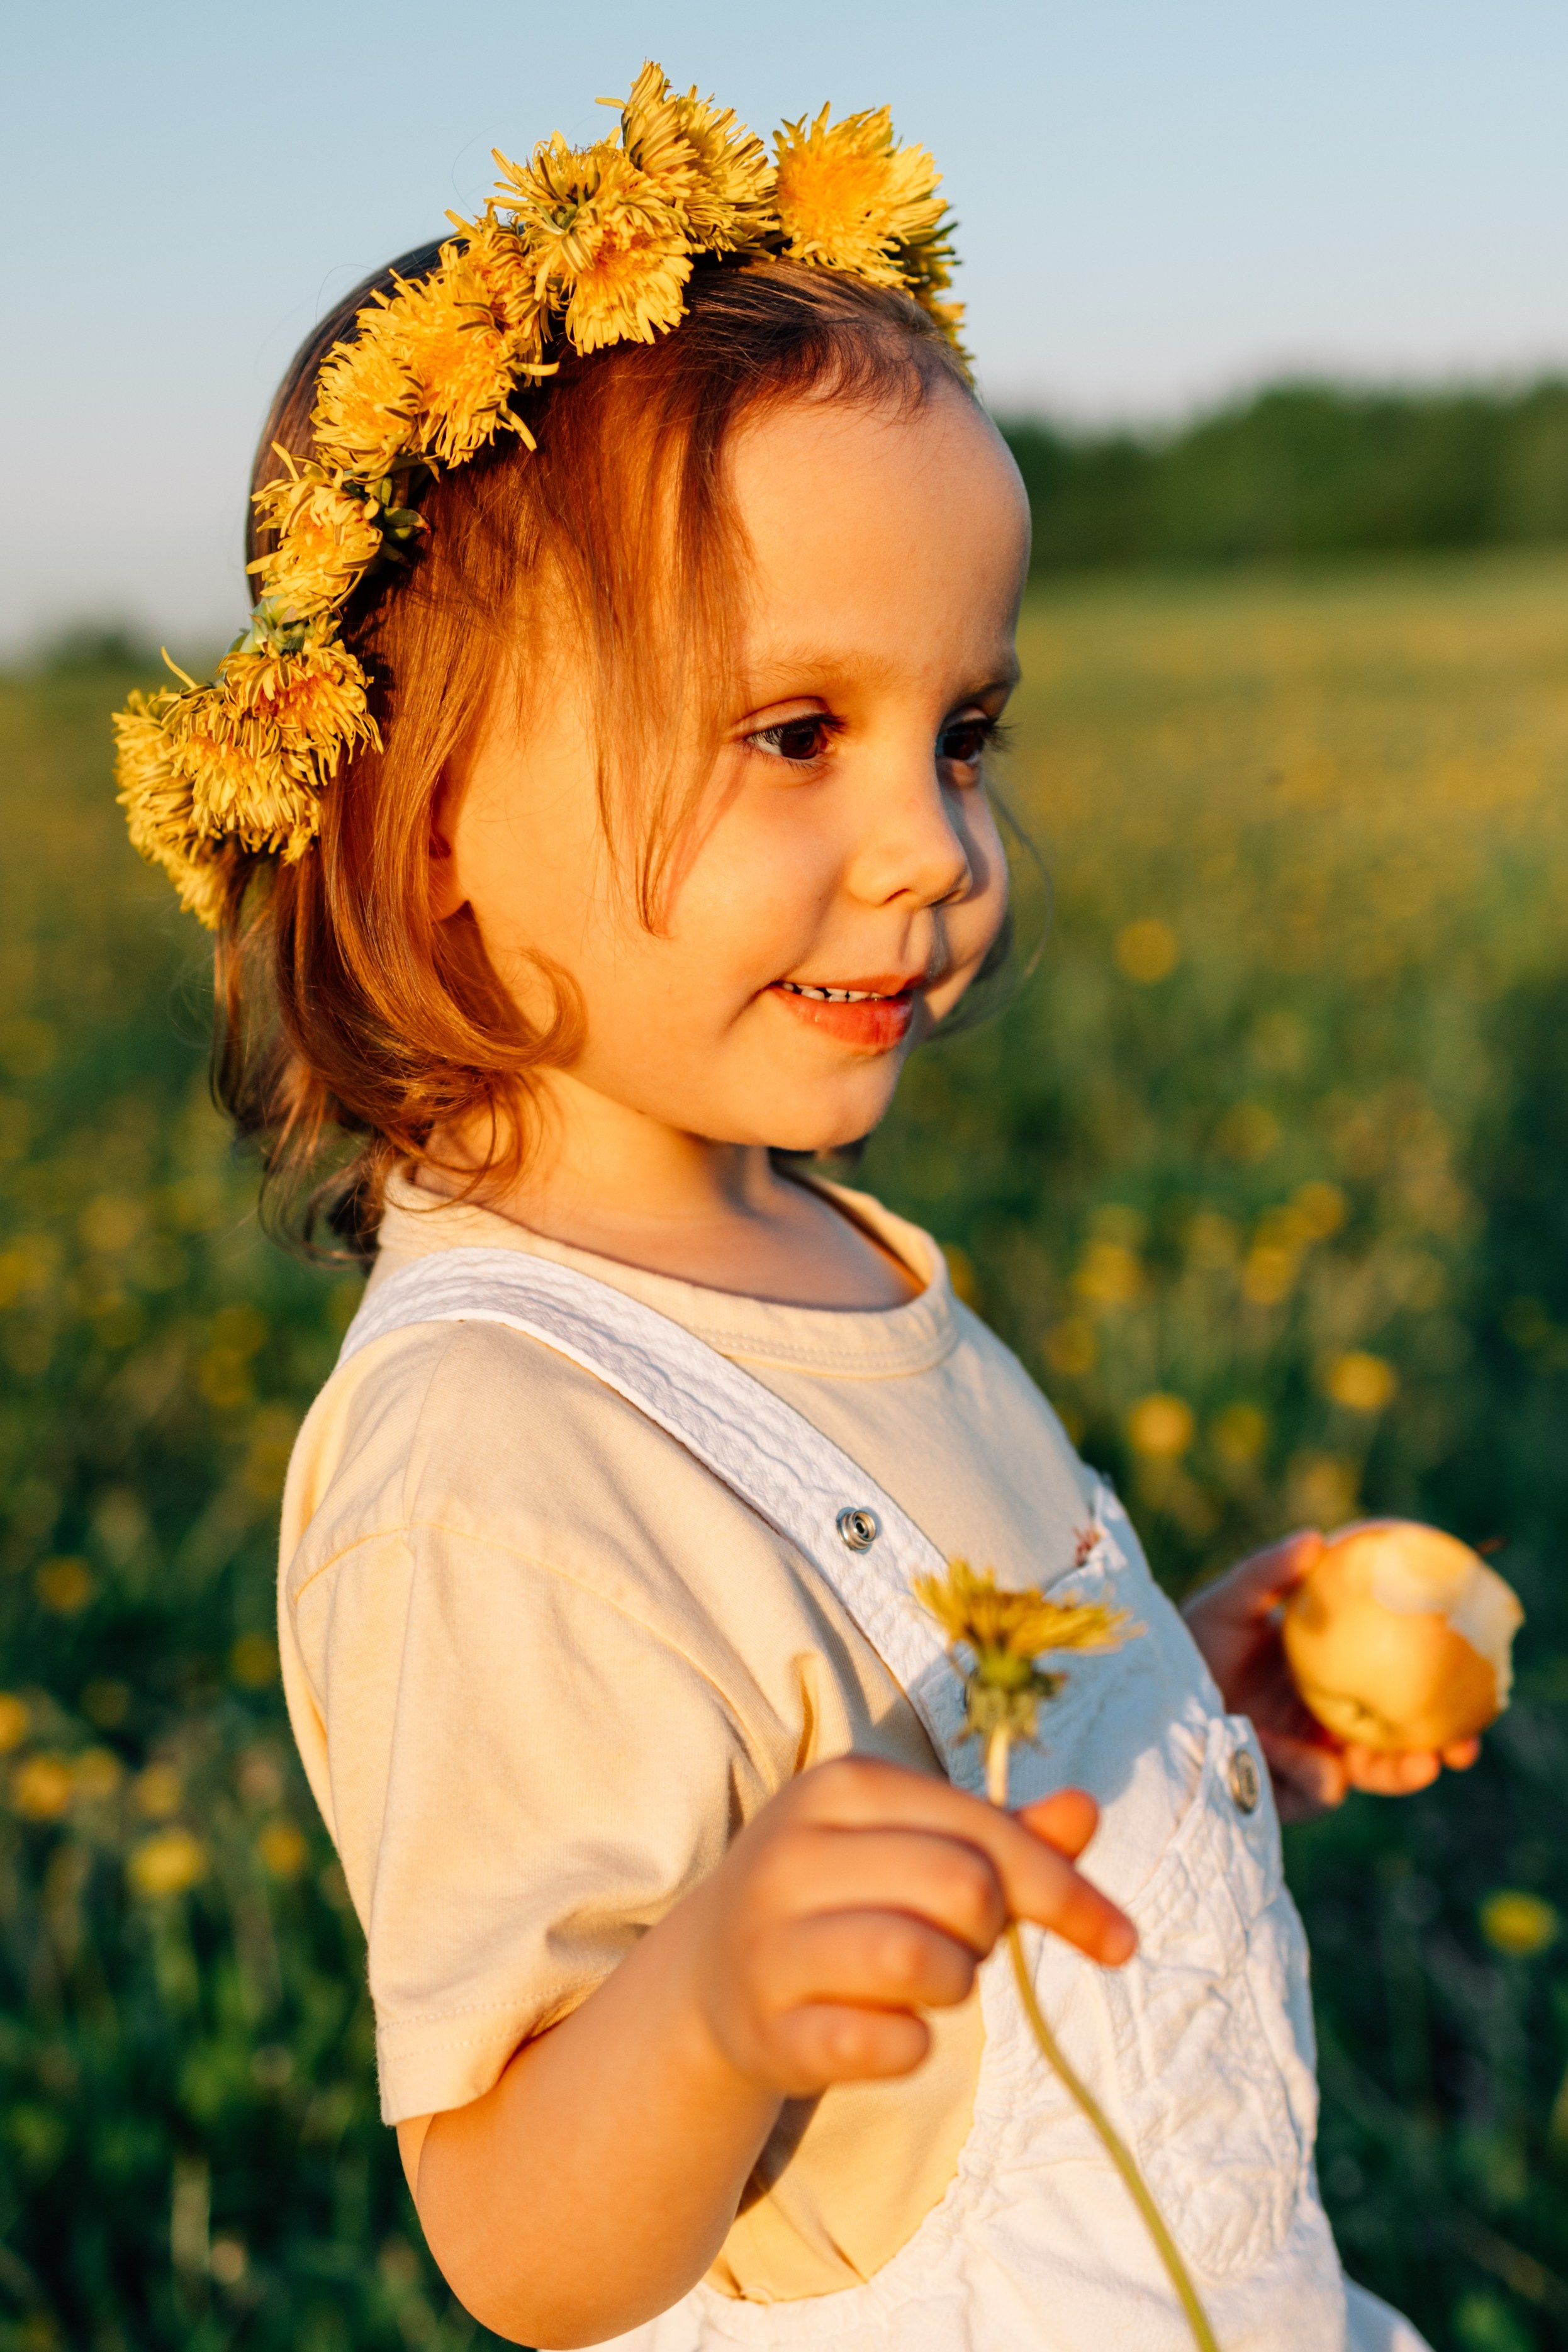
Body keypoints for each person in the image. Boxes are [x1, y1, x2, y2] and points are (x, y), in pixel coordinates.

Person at [115, 66, 1476, 2352]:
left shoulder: (822, 1249)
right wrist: (713, 1996)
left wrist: (1157, 1709)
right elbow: (513, 2231)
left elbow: (897, 1728)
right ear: (429, 819)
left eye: (964, 733)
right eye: (792, 734)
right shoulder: (488, 1453)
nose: (935, 845)